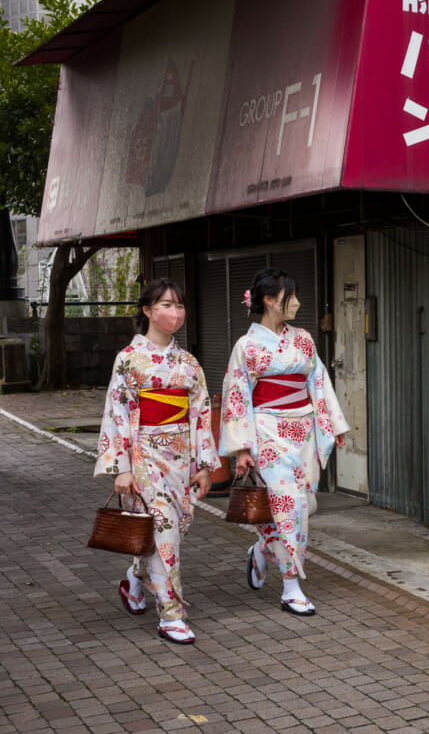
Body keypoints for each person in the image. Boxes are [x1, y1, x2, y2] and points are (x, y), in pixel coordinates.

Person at [95, 278, 217, 645]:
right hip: (144, 454)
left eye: (180, 306)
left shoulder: (188, 362)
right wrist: (122, 468)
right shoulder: (129, 359)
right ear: (147, 310)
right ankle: (171, 614)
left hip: (180, 455)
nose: (175, 313)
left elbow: (201, 413)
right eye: (166, 305)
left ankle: (135, 580)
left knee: (172, 527)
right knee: (164, 529)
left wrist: (205, 464)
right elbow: (116, 412)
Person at [220, 267, 348, 616]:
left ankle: (262, 550)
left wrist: (331, 425)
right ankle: (291, 586)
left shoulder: (303, 338)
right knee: (287, 508)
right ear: (269, 300)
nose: (297, 302)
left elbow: (317, 383)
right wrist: (242, 447)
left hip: (303, 431)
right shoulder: (246, 346)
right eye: (290, 296)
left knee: (304, 504)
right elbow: (236, 396)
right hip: (267, 433)